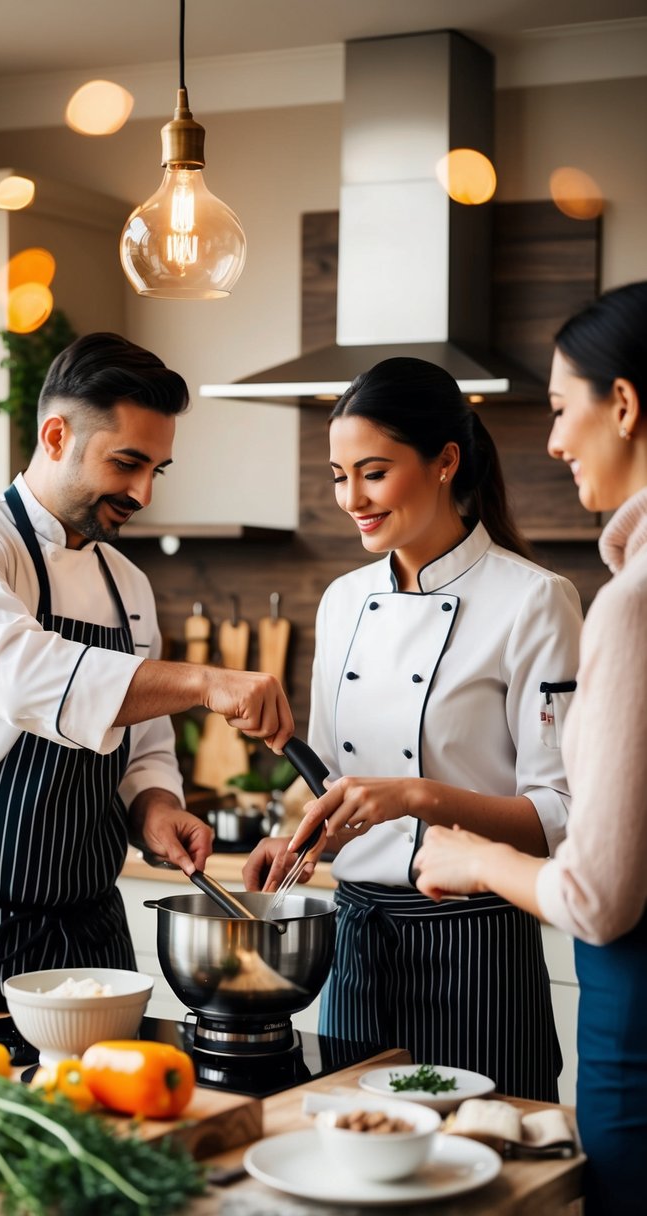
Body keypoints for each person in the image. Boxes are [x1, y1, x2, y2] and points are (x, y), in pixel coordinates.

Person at [0, 332, 294, 1011]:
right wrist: (204, 681)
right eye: (127, 462)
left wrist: (155, 804)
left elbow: (144, 744)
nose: (143, 492)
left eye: (157, 469)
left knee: (116, 1118)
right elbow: (23, 677)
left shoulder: (127, 583)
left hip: (89, 938)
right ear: (56, 434)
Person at [243, 355, 583, 1102]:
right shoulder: (340, 601)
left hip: (478, 943)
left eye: (372, 472)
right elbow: (335, 785)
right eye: (338, 476)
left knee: (487, 1177)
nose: (351, 499)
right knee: (356, 1160)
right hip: (357, 942)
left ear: (444, 461)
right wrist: (297, 841)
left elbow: (559, 816)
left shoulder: (534, 601)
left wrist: (418, 797)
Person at [414, 282, 647, 1216]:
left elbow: (597, 897)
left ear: (622, 405)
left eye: (560, 408)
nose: (551, 441)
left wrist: (474, 857)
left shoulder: (629, 604)